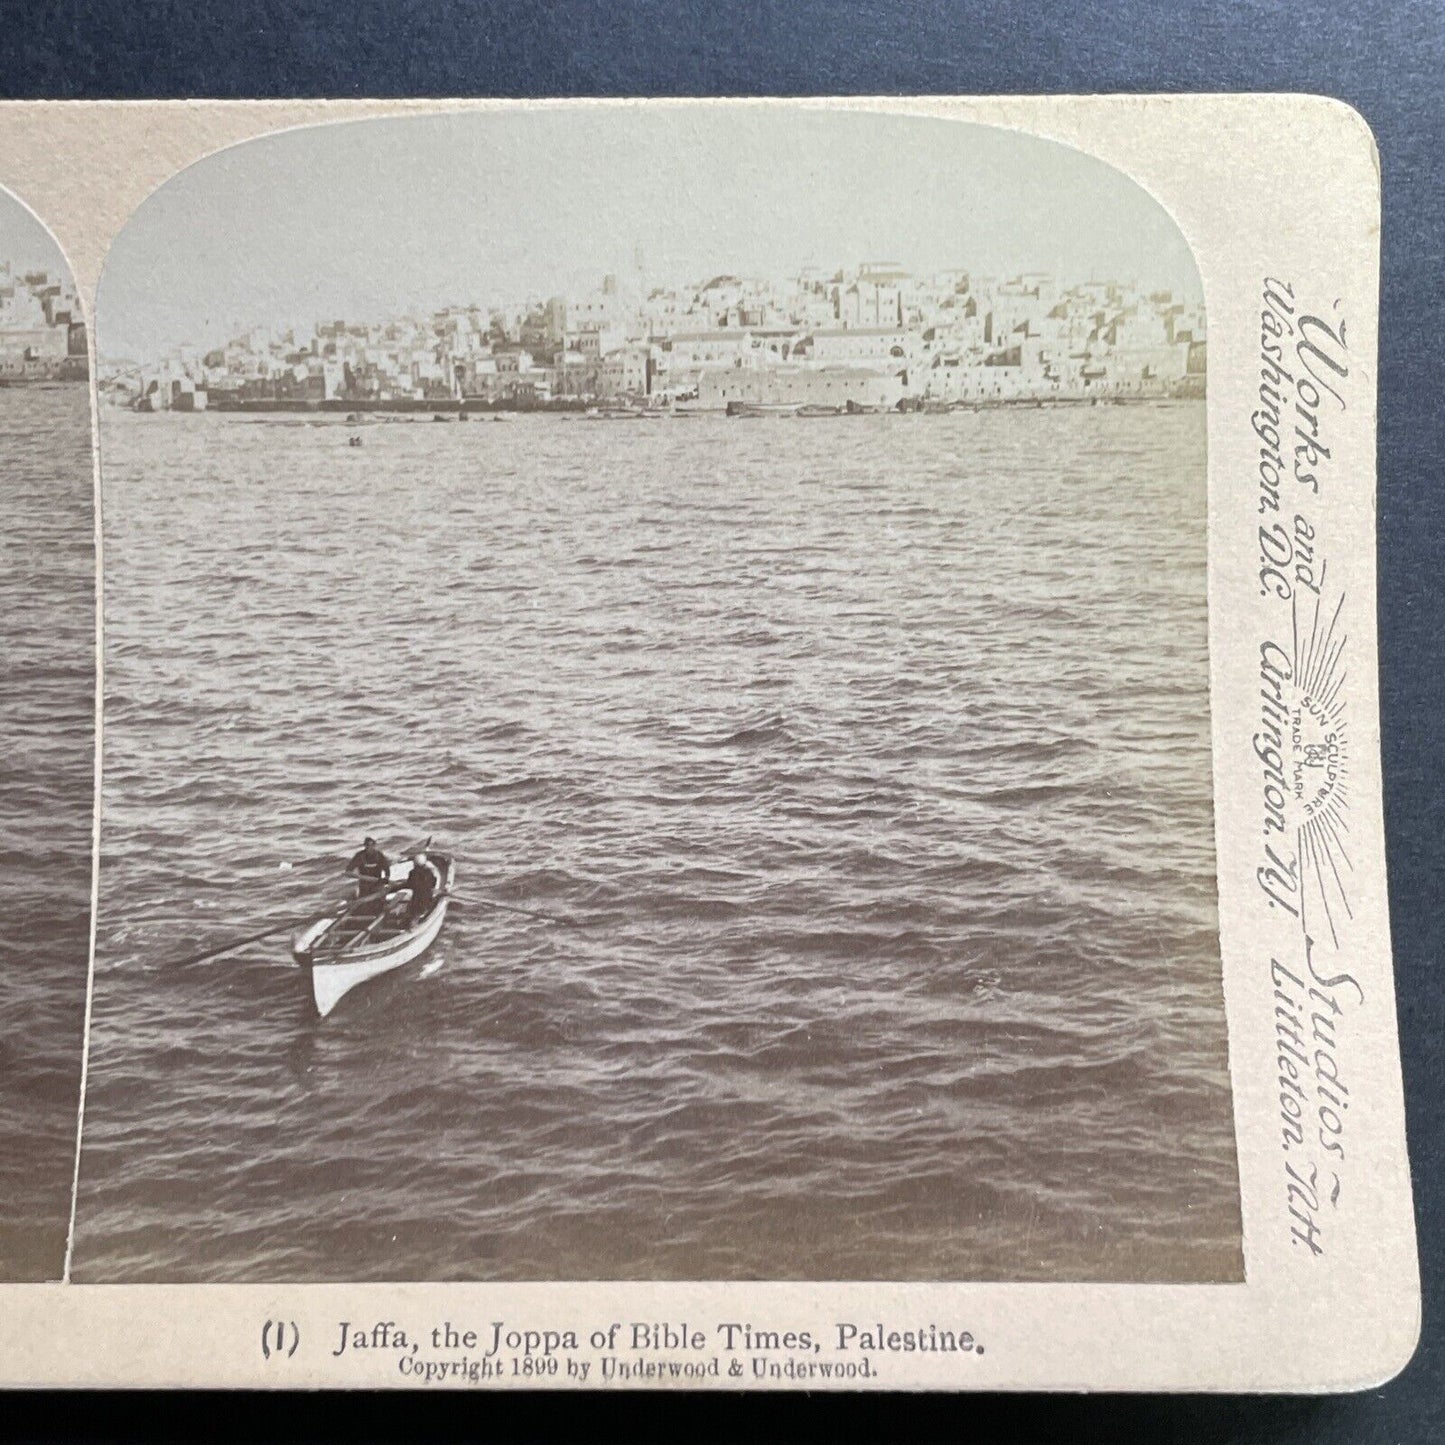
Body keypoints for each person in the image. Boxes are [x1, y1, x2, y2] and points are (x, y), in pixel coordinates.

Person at [345, 836, 391, 910]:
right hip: (364, 885)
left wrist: (386, 877)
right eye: (368, 846)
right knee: (363, 906)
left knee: (380, 904)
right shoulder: (360, 856)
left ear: (374, 845)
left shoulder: (379, 855)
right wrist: (350, 873)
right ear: (365, 846)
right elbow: (349, 869)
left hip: (377, 883)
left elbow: (386, 868)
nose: (370, 848)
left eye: (372, 845)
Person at [401, 850, 442, 924]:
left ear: (415, 863)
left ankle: (410, 923)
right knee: (416, 908)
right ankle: (411, 921)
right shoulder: (429, 872)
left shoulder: (412, 872)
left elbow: (409, 884)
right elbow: (433, 882)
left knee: (414, 910)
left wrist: (397, 885)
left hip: (417, 898)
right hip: (427, 897)